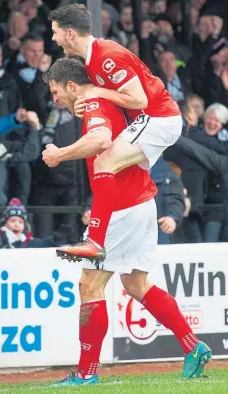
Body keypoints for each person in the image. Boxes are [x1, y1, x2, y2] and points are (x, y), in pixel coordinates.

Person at [42, 57, 211, 386]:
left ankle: (86, 374)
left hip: (121, 207)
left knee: (89, 286)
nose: (55, 99)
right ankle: (193, 346)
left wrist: (59, 153)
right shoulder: (105, 98)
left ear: (72, 86)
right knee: (136, 285)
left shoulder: (93, 103)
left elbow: (101, 140)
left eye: (55, 91)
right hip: (142, 202)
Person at [48, 3, 182, 262]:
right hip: (150, 120)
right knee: (137, 284)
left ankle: (95, 240)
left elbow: (139, 100)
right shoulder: (91, 61)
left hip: (158, 117)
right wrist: (84, 103)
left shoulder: (105, 55)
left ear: (71, 34)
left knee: (104, 159)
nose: (53, 38)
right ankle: (100, 236)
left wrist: (96, 92)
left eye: (56, 32)